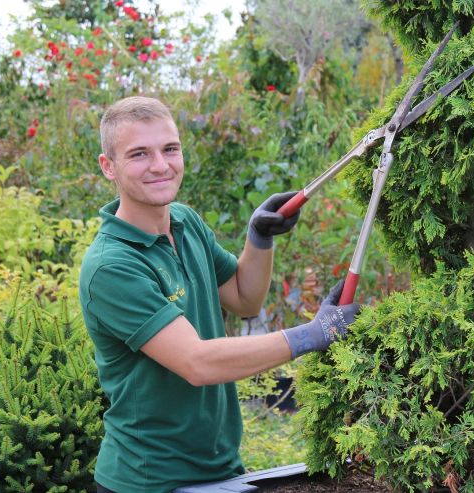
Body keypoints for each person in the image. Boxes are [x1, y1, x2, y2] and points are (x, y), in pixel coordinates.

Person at [78, 96, 361, 493]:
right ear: (108, 166)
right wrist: (311, 335)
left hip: (220, 468)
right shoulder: (112, 267)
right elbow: (198, 363)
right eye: (139, 154)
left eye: (169, 149)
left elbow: (246, 299)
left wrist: (259, 238)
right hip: (149, 481)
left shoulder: (185, 222)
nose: (160, 165)